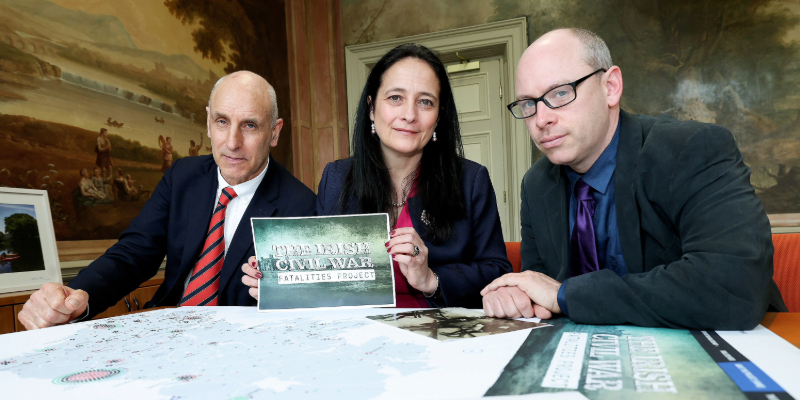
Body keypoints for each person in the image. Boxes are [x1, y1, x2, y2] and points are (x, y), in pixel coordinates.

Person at [480, 28, 787, 330]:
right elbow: (540, 287)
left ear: (610, 87)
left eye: (560, 93)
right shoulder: (536, 185)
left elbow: (732, 286)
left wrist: (565, 295)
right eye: (528, 104)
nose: (540, 120)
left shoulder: (691, 149)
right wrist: (518, 294)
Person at [18, 71, 317, 329]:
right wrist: (74, 297)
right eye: (222, 122)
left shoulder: (302, 207)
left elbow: (305, 306)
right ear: (208, 123)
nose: (232, 142)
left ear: (274, 133)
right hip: (166, 328)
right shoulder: (182, 177)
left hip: (243, 348)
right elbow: (133, 254)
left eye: (249, 125)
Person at [244, 43, 510, 307]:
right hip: (357, 335)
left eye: (425, 102)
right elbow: (324, 273)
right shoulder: (336, 178)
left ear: (439, 116)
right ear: (371, 108)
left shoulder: (471, 180)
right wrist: (279, 280)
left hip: (442, 335)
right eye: (395, 98)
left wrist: (432, 280)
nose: (409, 115)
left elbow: (497, 270)